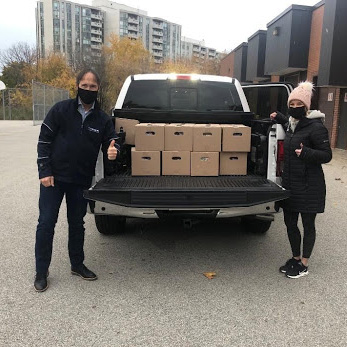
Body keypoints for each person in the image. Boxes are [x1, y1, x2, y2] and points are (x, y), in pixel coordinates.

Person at [34, 68, 119, 292]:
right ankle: (41, 271)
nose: (88, 89)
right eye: (85, 85)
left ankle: (77, 264)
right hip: (53, 179)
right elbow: (44, 140)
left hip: (80, 180)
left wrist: (114, 150)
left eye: (93, 86)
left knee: (77, 224)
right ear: (77, 85)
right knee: (46, 223)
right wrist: (44, 170)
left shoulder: (102, 119)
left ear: (98, 89)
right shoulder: (61, 110)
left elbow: (112, 140)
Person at [270, 81, 332, 279]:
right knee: (290, 222)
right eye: (292, 104)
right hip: (290, 183)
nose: (295, 107)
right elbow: (287, 122)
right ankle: (295, 257)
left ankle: (304, 263)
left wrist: (305, 152)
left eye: (299, 104)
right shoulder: (291, 124)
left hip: (309, 185)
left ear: (306, 107)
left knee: (308, 224)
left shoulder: (316, 127)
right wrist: (278, 116)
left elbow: (326, 155)